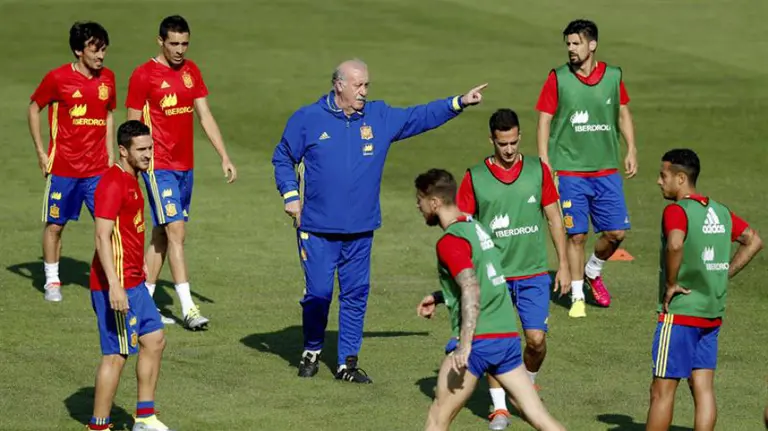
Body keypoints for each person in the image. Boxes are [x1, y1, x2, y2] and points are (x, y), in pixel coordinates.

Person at [272, 58, 487, 382]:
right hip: (317, 228)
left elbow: (419, 117)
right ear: (339, 85)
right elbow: (283, 157)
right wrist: (290, 195)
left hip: (361, 229)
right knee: (318, 294)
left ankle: (347, 362)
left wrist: (458, 103)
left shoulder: (378, 116)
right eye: (358, 85)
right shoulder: (308, 119)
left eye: (367, 85)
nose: (364, 91)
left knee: (355, 295)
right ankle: (313, 348)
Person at [413, 168, 565, 431]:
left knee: (437, 418)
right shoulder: (475, 227)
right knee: (538, 416)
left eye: (420, 200)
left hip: (478, 341)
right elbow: (486, 276)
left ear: (435, 203)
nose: (418, 206)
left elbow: (471, 287)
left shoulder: (450, 241)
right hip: (505, 337)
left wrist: (464, 345)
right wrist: (440, 297)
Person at [456, 109, 570, 430]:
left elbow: (554, 217)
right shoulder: (475, 177)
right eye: (502, 143)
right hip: (494, 277)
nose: (509, 149)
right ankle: (499, 408)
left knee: (535, 341)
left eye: (513, 141)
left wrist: (563, 264)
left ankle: (526, 385)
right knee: (497, 342)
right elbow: (462, 228)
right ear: (492, 139)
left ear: (520, 136)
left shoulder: (537, 171)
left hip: (533, 273)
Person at [126, 15, 238, 330]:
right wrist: (132, 169)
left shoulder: (191, 71)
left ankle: (142, 305)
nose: (179, 50)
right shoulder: (143, 75)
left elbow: (204, 115)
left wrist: (224, 156)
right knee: (177, 232)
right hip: (157, 167)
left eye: (184, 43)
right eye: (173, 43)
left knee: (162, 235)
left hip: (185, 169)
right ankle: (188, 309)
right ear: (160, 41)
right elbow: (132, 125)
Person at [646, 149, 762, 431]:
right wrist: (722, 274)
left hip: (681, 314)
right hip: (711, 312)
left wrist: (672, 284)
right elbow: (753, 240)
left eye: (664, 176)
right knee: (704, 389)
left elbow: (675, 244)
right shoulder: (720, 211)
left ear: (681, 178)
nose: (659, 182)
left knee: (661, 391)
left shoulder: (676, 211)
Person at [535, 19, 638, 317]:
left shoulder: (613, 76)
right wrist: (545, 162)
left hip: (606, 169)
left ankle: (593, 271)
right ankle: (578, 297)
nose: (571, 49)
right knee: (577, 235)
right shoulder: (558, 78)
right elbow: (544, 120)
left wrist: (631, 147)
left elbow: (622, 112)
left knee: (616, 233)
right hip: (569, 170)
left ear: (592, 45)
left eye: (576, 43)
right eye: (568, 44)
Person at [87, 120, 174, 431]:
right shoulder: (112, 184)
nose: (149, 154)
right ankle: (98, 426)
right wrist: (114, 286)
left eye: (150, 148)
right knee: (116, 355)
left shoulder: (132, 179)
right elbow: (101, 237)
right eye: (141, 149)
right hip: (117, 285)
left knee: (155, 340)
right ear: (123, 151)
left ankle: (145, 418)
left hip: (134, 281)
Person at [28, 21, 115, 302]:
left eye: (103, 50)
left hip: (98, 169)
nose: (101, 56)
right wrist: (42, 152)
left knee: (109, 225)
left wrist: (111, 153)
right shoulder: (57, 78)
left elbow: (109, 114)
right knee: (55, 225)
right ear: (79, 50)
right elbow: (34, 108)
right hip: (64, 169)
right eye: (95, 50)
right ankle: (52, 280)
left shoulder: (108, 78)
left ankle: (110, 277)